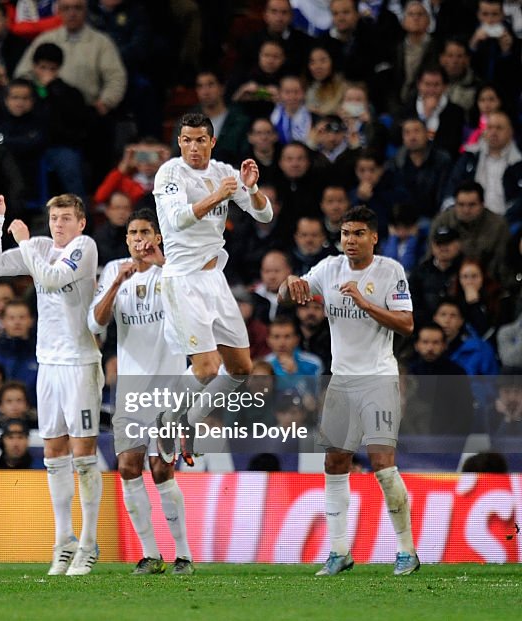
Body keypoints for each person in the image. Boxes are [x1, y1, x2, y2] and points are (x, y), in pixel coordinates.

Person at [279, 205, 420, 577]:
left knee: (381, 464)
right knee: (334, 462)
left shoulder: (390, 272)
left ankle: (406, 551)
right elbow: (285, 297)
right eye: (345, 234)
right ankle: (339, 551)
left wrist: (365, 302)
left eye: (358, 233)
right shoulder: (328, 268)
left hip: (378, 378)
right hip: (341, 381)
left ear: (374, 237)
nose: (350, 240)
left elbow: (406, 324)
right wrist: (289, 283)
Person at [0, 192, 103, 576]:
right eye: (54, 219)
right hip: (48, 364)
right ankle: (63, 541)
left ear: (80, 223)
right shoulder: (39, 246)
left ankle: (89, 542)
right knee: (54, 453)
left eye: (67, 218)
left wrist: (21, 240)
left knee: (83, 456)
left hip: (80, 362)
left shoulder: (85, 247)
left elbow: (51, 277)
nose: (59, 225)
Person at [151, 112, 273, 462]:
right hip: (183, 280)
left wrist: (251, 189)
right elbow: (176, 219)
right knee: (205, 368)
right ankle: (169, 418)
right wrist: (219, 195)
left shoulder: (223, 171)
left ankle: (188, 419)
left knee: (240, 369)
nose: (193, 147)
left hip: (214, 280)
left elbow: (264, 216)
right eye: (186, 140)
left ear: (212, 142)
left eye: (200, 140)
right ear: (179, 142)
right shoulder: (171, 172)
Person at [88, 208, 194, 575]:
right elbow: (95, 322)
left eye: (145, 231)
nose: (139, 238)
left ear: (158, 236)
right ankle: (150, 555)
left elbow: (193, 309)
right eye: (132, 232)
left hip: (169, 388)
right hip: (130, 390)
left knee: (162, 469)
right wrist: (117, 283)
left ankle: (184, 555)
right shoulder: (114, 270)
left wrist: (163, 264)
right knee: (128, 467)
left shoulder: (174, 271)